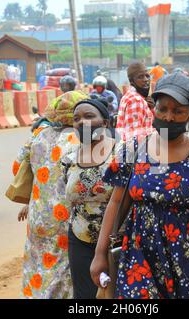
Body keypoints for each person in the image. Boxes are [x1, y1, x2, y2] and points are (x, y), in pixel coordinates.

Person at [91, 73, 189, 299]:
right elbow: (116, 202)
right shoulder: (133, 150)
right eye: (162, 109)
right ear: (153, 108)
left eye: (178, 111)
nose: (168, 117)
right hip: (140, 257)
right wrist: (100, 253)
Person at [13, 90, 89, 299]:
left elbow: (18, 168)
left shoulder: (38, 137)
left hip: (38, 215)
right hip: (66, 217)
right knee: (63, 271)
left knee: (37, 265)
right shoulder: (79, 140)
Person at [61, 98, 119, 299]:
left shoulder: (121, 153)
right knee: (85, 296)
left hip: (117, 240)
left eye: (89, 116)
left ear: (105, 122)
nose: (81, 122)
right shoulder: (68, 156)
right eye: (76, 119)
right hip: (80, 239)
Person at [116, 62, 155, 142]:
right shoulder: (136, 100)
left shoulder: (129, 96)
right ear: (131, 81)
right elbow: (134, 139)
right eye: (140, 77)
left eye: (147, 76)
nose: (146, 80)